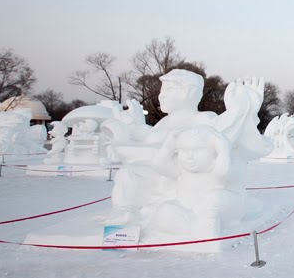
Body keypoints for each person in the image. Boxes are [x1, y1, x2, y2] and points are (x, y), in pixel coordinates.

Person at [105, 69, 272, 225]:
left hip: (187, 182)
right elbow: (144, 143)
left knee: (132, 173)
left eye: (168, 91)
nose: (161, 96)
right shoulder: (162, 124)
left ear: (189, 93)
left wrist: (243, 110)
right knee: (128, 174)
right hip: (156, 177)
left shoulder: (204, 120)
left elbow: (226, 134)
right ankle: (126, 213)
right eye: (162, 91)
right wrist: (132, 128)